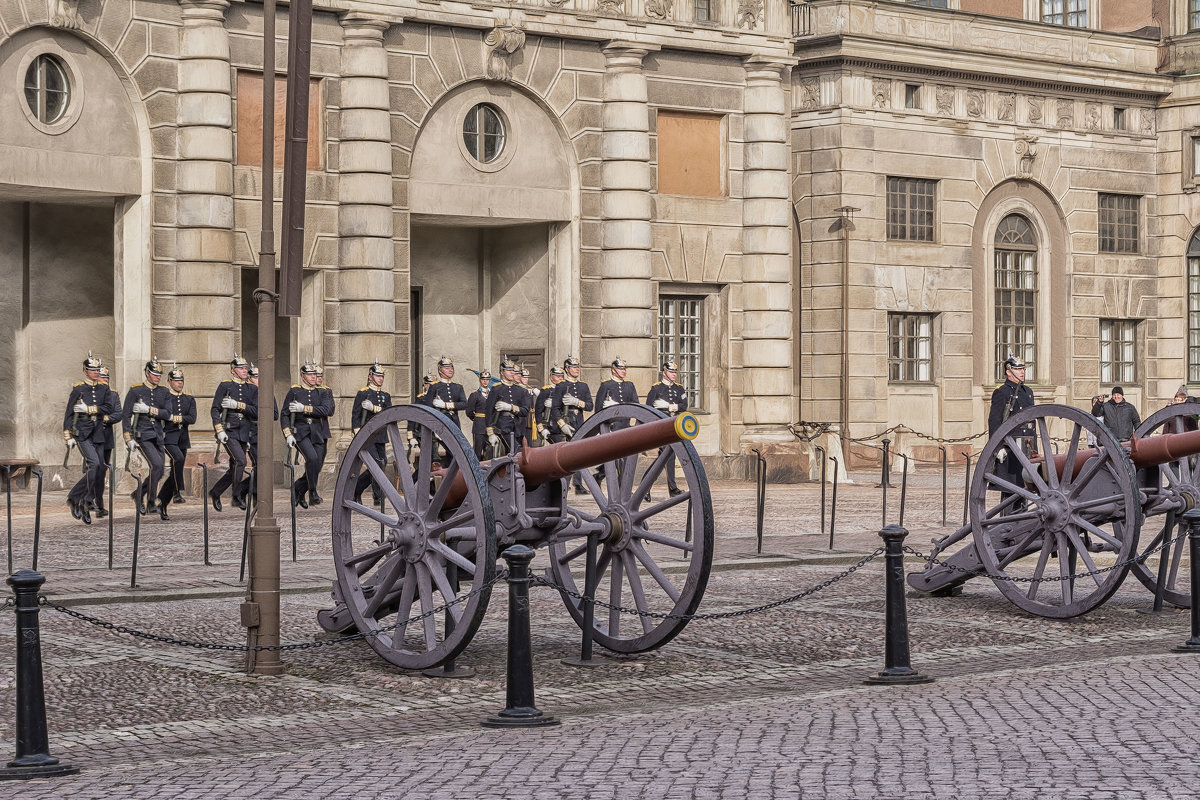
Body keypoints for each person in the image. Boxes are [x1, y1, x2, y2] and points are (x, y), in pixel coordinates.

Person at [63, 352, 118, 524]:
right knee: (94, 464)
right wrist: (68, 435)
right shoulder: (79, 389)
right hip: (83, 433)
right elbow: (69, 413)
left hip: (98, 433)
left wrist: (90, 409)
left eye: (97, 369)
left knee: (99, 468)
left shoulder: (104, 389)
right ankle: (78, 498)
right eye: (92, 370)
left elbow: (109, 407)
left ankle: (82, 500)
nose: (95, 372)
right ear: (85, 371)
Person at [123, 357, 172, 520]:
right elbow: (126, 415)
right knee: (157, 465)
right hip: (142, 434)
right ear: (147, 373)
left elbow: (168, 414)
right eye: (154, 374)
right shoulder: (136, 390)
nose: (158, 377)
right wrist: (128, 437)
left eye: (159, 374)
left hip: (158, 434)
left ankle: (138, 494)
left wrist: (149, 409)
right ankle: (151, 502)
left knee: (160, 469)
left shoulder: (164, 392)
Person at [209, 353, 258, 512]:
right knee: (241, 461)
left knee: (234, 468)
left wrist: (238, 405)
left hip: (244, 431)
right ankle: (236, 496)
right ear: (233, 371)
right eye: (241, 368)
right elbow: (215, 409)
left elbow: (256, 411)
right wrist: (219, 429)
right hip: (229, 430)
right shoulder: (225, 386)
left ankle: (216, 492)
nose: (244, 371)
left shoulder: (251, 388)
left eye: (245, 368)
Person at [282, 360, 334, 509]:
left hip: (317, 433)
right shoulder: (295, 392)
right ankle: (312, 492)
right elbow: (285, 414)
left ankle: (298, 488)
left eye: (314, 374)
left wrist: (303, 408)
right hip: (301, 433)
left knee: (316, 465)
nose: (313, 377)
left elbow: (325, 410)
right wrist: (288, 434)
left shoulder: (322, 392)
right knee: (311, 458)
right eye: (310, 374)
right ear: (302, 376)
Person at [987, 355, 1035, 507]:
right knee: (1010, 492)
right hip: (1010, 447)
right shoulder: (1002, 392)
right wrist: (997, 446)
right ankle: (1008, 528)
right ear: (1009, 371)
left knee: (1025, 488)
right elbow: (994, 421)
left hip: (1026, 446)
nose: (1022, 372)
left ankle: (1022, 525)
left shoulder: (1028, 391)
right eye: (1018, 369)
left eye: (1023, 369)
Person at [645, 360, 689, 497]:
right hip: (662, 426)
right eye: (671, 372)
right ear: (664, 373)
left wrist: (668, 406)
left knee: (667, 457)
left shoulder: (679, 388)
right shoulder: (656, 389)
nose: (674, 374)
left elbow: (684, 405)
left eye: (675, 372)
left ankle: (651, 486)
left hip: (674, 425)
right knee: (666, 456)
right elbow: (648, 408)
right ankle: (668, 488)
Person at [351, 361, 391, 504]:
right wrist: (357, 433)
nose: (380, 378)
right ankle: (378, 495)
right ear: (370, 376)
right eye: (377, 375)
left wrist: (373, 408)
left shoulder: (386, 396)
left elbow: (389, 413)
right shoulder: (363, 393)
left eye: (382, 376)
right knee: (376, 463)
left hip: (380, 434)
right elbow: (356, 415)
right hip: (367, 434)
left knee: (383, 463)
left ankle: (357, 489)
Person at [158, 364, 196, 511]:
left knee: (177, 466)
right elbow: (163, 415)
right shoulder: (164, 399)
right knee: (178, 459)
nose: (180, 383)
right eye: (176, 380)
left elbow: (192, 418)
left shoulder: (189, 399)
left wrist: (175, 418)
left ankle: (163, 499)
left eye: (181, 380)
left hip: (182, 438)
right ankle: (178, 490)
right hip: (168, 437)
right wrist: (174, 418)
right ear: (169, 382)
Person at [485, 358, 530, 456]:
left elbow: (525, 411)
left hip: (518, 428)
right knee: (517, 453)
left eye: (513, 370)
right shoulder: (496, 389)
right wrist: (490, 433)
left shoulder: (520, 390)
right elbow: (488, 412)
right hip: (503, 428)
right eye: (509, 370)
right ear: (501, 372)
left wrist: (510, 407)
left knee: (512, 456)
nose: (512, 372)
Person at [94, 364, 122, 518]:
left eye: (106, 378)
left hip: (106, 437)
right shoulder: (91, 394)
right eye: (101, 378)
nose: (104, 380)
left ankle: (98, 504)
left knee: (102, 470)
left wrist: (104, 418)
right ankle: (90, 501)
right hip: (92, 438)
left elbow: (118, 414)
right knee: (94, 469)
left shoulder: (113, 395)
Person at [595, 356, 639, 430]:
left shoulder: (629, 385)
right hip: (610, 425)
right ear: (613, 370)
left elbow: (636, 404)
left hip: (625, 424)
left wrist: (618, 405)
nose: (623, 371)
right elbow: (598, 409)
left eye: (624, 369)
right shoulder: (606, 385)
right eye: (620, 369)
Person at [464, 370, 492, 458]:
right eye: (483, 379)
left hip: (491, 426)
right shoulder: (475, 395)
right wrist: (476, 419)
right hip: (479, 426)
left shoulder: (492, 394)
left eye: (487, 379)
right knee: (478, 451)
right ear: (480, 380)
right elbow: (469, 411)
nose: (485, 381)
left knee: (491, 451)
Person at [537, 366, 565, 444]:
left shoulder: (566, 389)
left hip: (566, 425)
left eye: (562, 376)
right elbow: (538, 412)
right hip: (553, 428)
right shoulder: (546, 391)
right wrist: (541, 428)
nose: (560, 378)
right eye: (557, 376)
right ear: (551, 377)